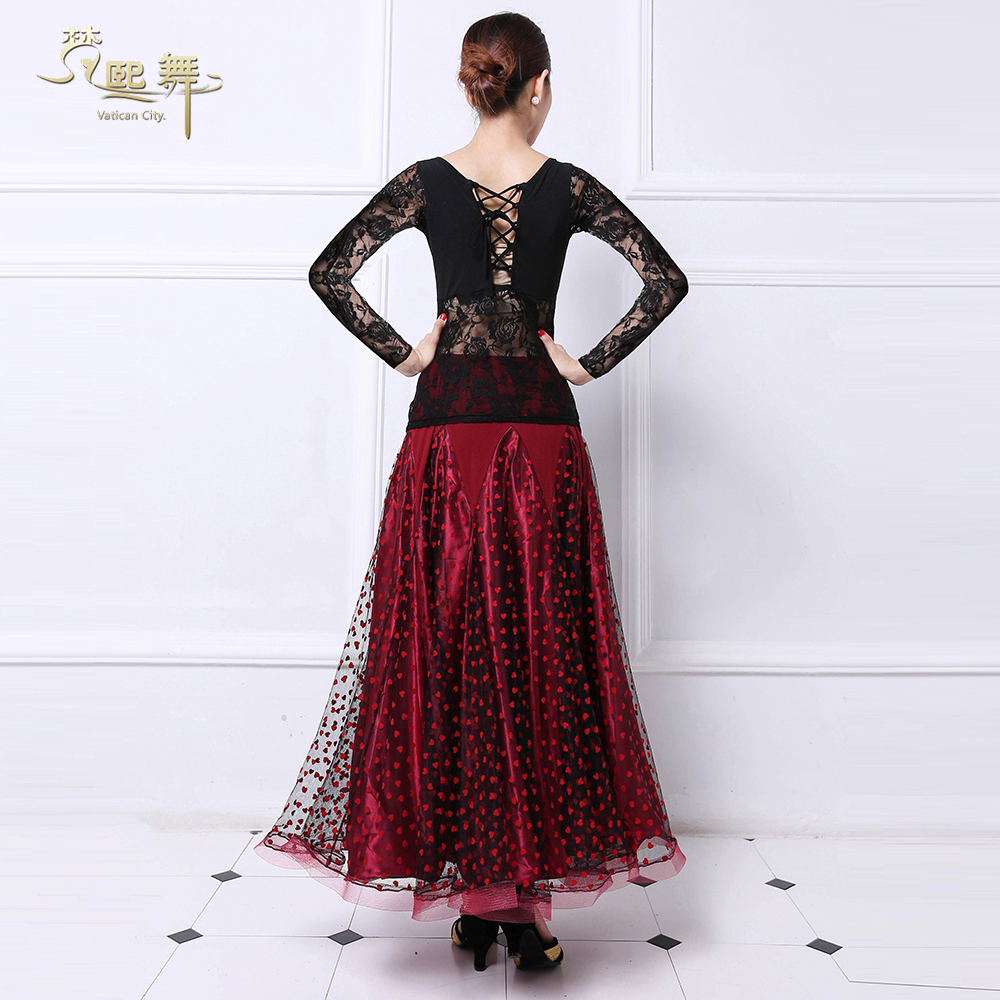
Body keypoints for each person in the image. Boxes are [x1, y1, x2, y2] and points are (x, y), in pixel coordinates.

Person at [254, 10, 689, 973]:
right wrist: (584, 361)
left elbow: (330, 272)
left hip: (447, 433)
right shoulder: (570, 186)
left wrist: (409, 351)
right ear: (539, 86)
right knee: (543, 650)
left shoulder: (424, 181)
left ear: (473, 85)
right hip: (539, 433)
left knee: (445, 647)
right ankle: (526, 903)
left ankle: (474, 892)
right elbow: (665, 280)